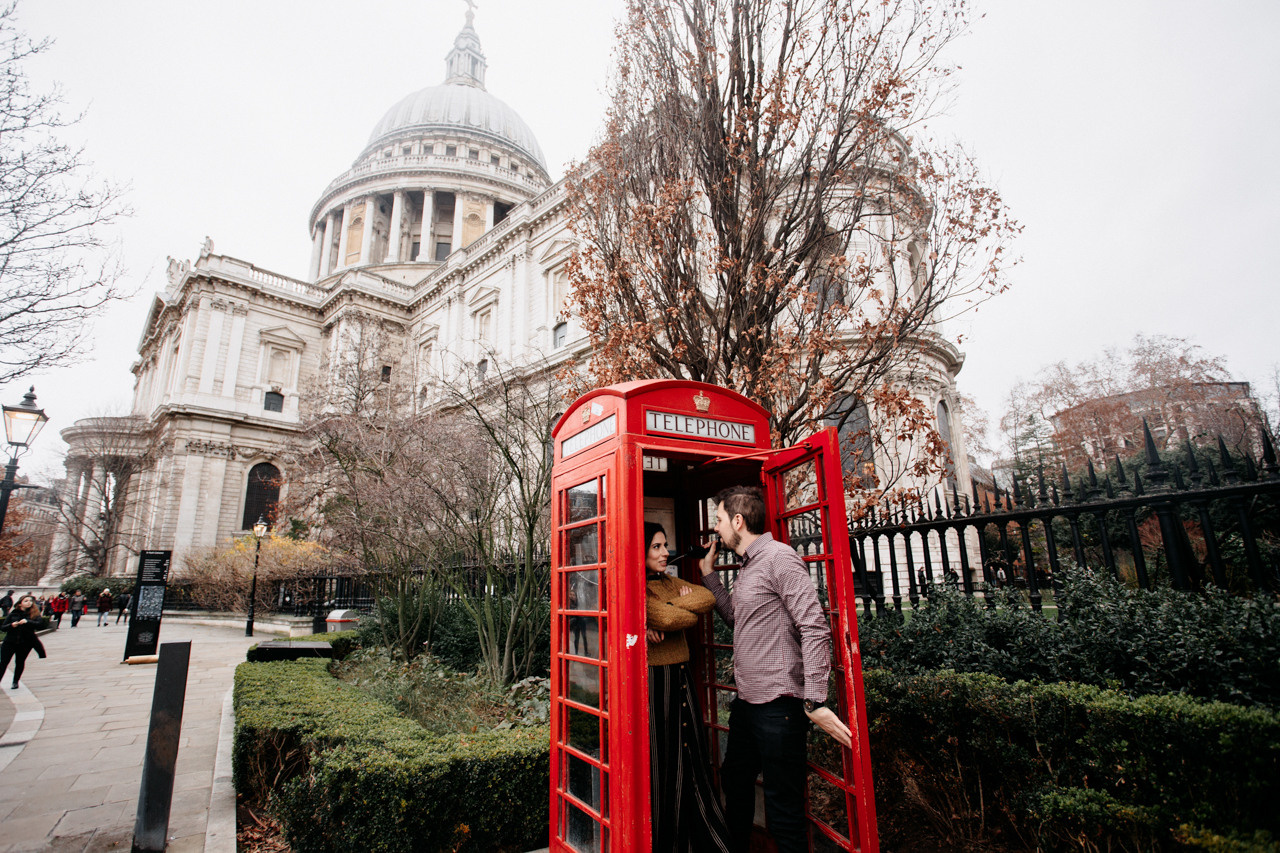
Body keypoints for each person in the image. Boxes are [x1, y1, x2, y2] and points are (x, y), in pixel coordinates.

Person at [698, 486, 851, 853]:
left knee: (784, 813)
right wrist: (708, 575)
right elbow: (737, 616)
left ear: (737, 521)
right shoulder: (748, 565)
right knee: (735, 786)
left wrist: (815, 699)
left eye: (718, 521)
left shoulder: (780, 559)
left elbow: (814, 626)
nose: (716, 530)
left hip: (780, 708)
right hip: (749, 704)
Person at [643, 522, 732, 853]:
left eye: (665, 545)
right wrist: (668, 614)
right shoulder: (636, 587)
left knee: (692, 757)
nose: (666, 553)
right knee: (663, 764)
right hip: (656, 683)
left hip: (682, 677)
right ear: (640, 551)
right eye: (656, 547)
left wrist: (671, 611)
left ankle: (704, 837)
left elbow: (707, 598)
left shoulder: (669, 582)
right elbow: (666, 620)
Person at [1, 594, 48, 689]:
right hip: (10, 642)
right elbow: (3, 627)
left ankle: (15, 681)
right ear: (20, 603)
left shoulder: (34, 614)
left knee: (20, 662)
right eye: (26, 601)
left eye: (30, 601)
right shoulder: (13, 613)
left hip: (25, 643)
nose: (29, 602)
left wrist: (28, 622)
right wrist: (11, 625)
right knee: (3, 662)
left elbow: (40, 625)